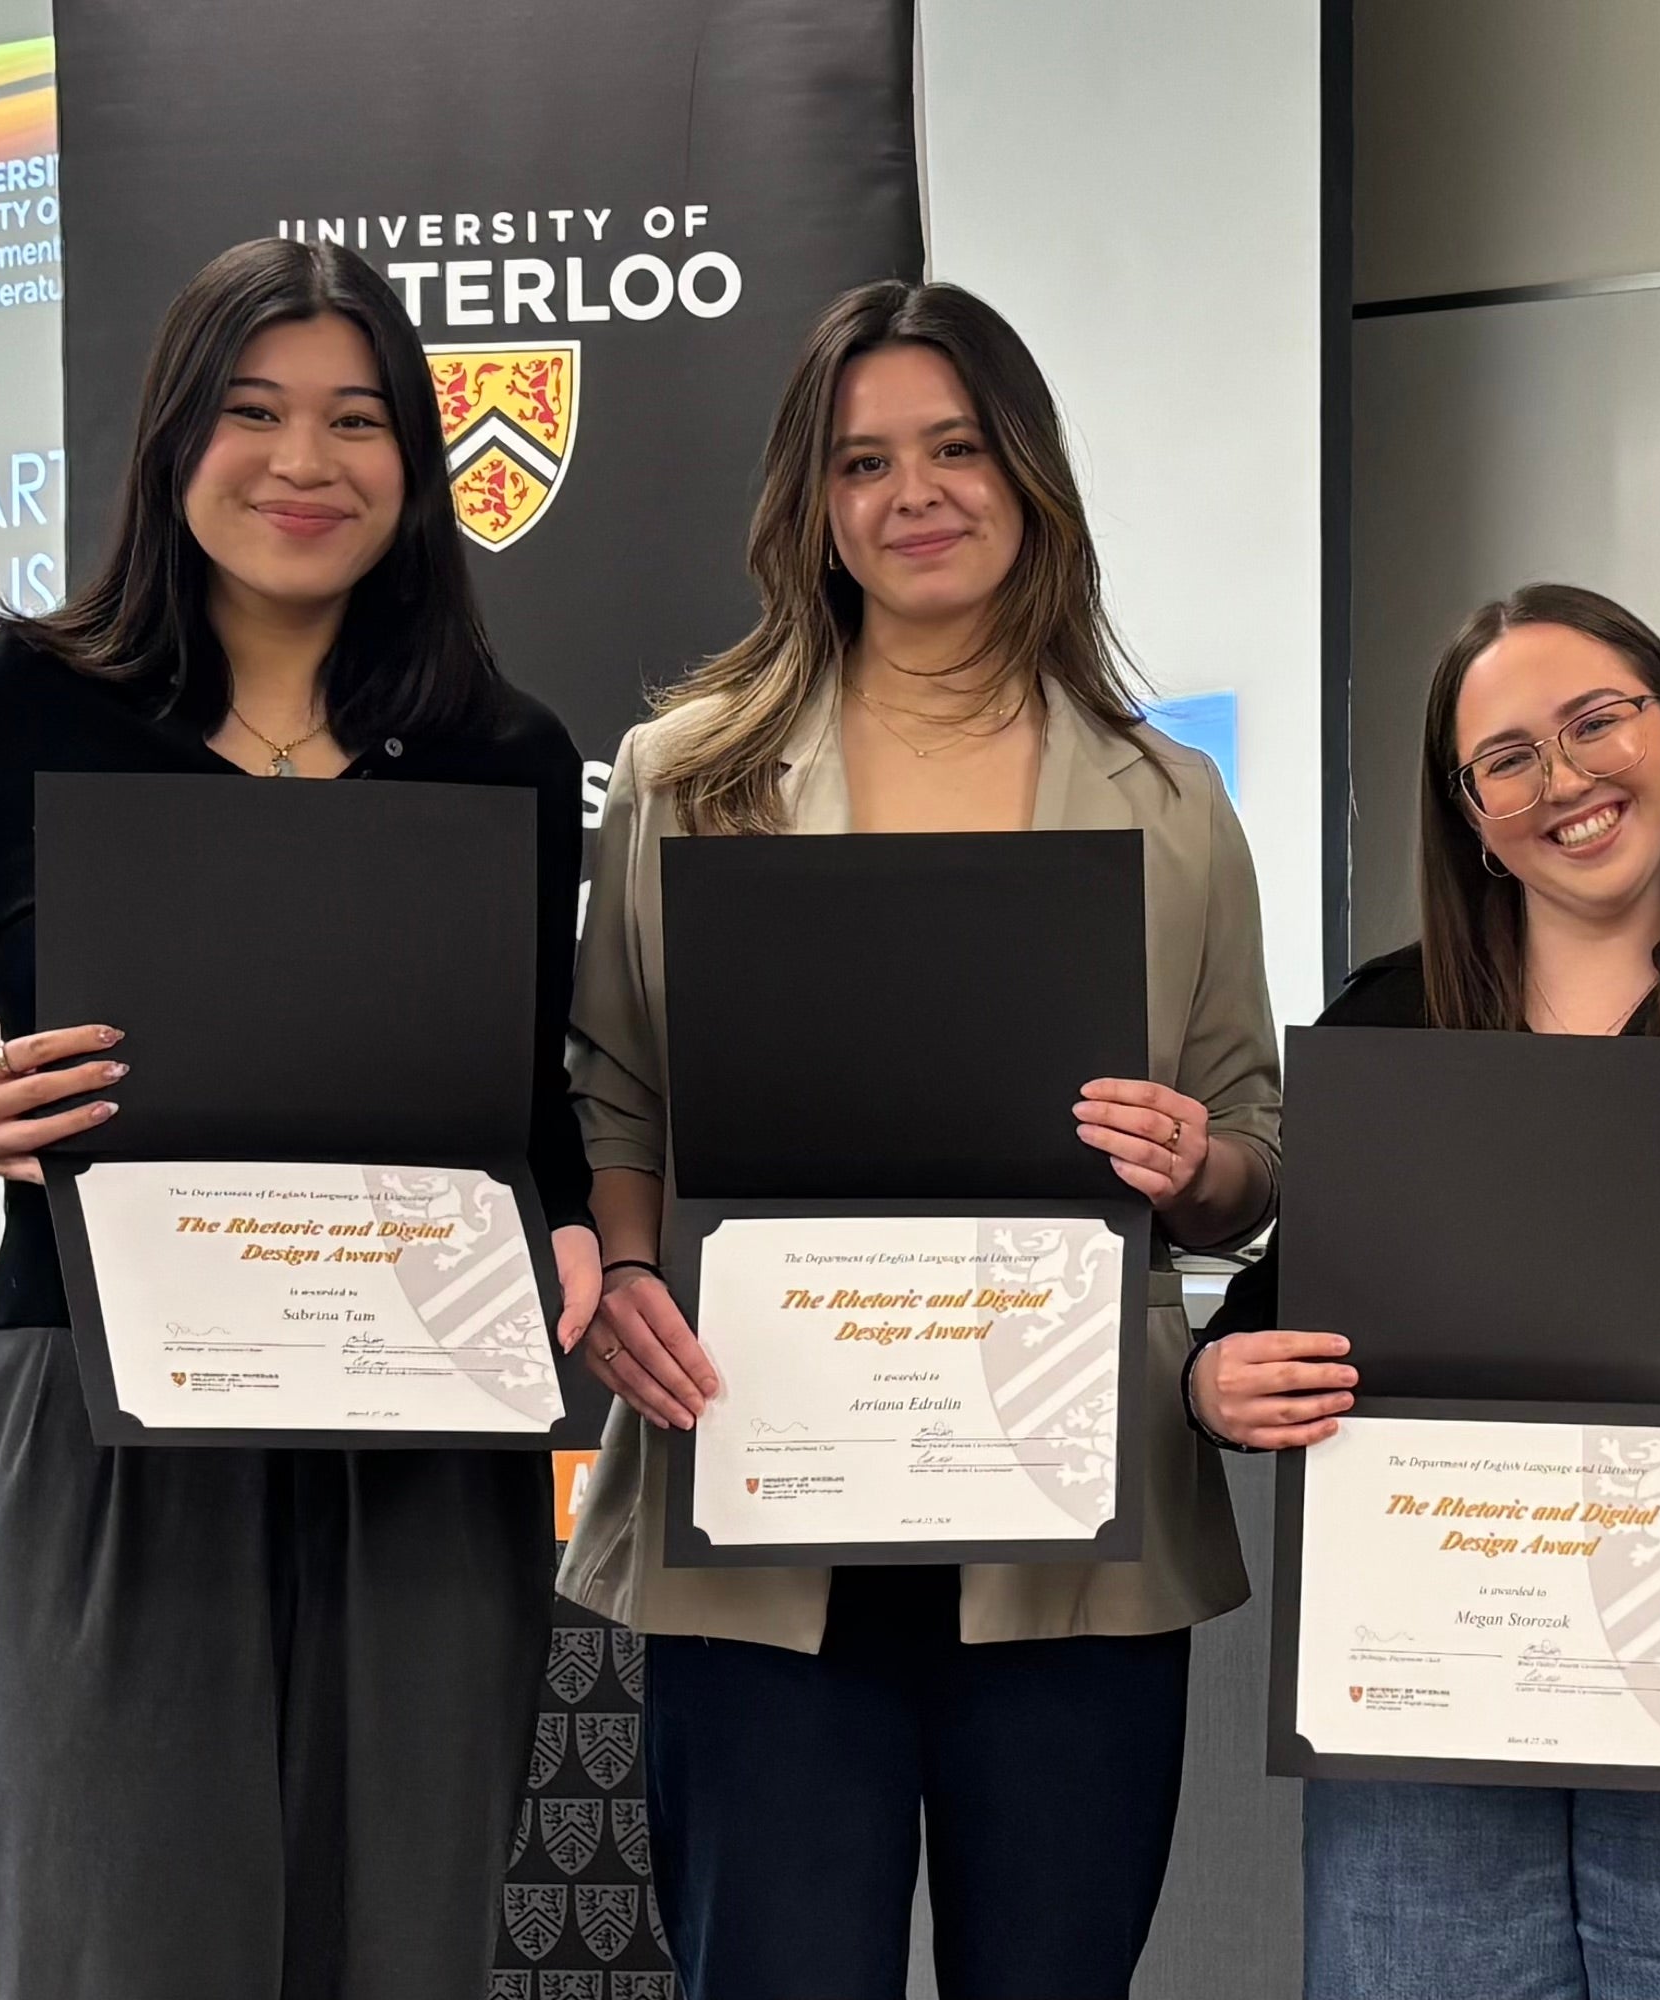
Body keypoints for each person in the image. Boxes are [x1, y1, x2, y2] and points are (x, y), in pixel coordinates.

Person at [0, 236, 599, 2000]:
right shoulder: (5, 708)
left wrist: (567, 1221)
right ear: (173, 442)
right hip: (96, 1424)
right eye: (252, 412)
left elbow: (517, 1093)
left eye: (357, 420)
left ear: (419, 461)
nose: (303, 464)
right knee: (105, 1932)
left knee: (400, 1942)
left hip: (416, 1433)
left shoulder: (504, 753)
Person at [551, 278, 1282, 2000]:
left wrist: (1200, 1164)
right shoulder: (688, 773)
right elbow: (619, 1088)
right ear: (812, 503)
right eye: (864, 461)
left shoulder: (1170, 803)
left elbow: (1255, 1140)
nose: (915, 494)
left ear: (1028, 478)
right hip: (764, 1486)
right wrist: (631, 1271)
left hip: (1069, 1524)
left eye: (957, 448)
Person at [1201, 583, 1660, 2000]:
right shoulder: (1386, 1022)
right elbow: (1271, 1314)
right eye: (1510, 759)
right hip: (1426, 1599)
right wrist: (1213, 1383)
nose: (1568, 780)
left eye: (1598, 721)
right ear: (1469, 813)